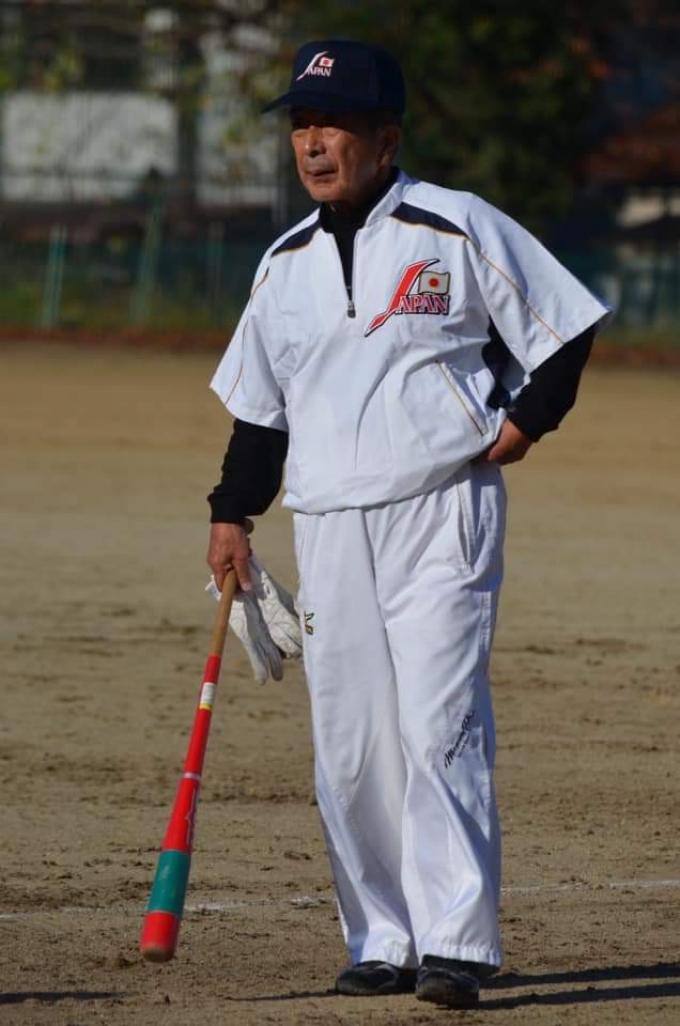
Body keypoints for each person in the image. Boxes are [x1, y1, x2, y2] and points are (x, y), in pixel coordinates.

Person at [205, 39, 610, 1008]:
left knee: (438, 724)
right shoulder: (283, 263)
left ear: (384, 139)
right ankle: (381, 937)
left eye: (333, 124)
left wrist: (525, 422)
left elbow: (565, 324)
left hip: (442, 509)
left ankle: (457, 945)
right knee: (348, 744)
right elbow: (260, 412)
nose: (313, 143)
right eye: (302, 125)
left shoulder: (454, 225)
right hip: (328, 522)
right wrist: (231, 514)